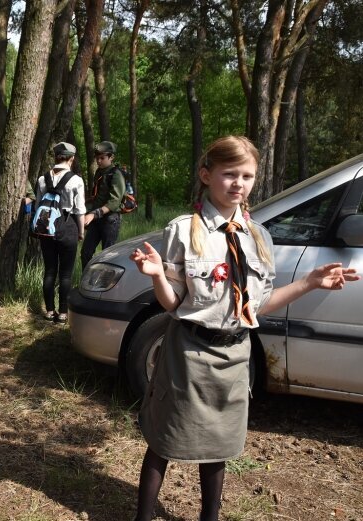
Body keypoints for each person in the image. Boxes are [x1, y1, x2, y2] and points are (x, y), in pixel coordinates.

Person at [129, 136, 358, 521]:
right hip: (188, 353)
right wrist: (156, 277)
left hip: (236, 355)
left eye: (247, 176)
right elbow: (174, 305)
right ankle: (143, 517)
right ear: (207, 175)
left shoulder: (259, 237)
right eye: (229, 174)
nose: (239, 183)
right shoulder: (184, 231)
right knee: (164, 440)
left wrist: (311, 283)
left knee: (220, 445)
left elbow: (256, 307)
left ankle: (210, 518)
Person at [33, 142, 86, 323]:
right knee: (65, 273)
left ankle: (49, 311)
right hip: (67, 225)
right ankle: (63, 313)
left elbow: (38, 205)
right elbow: (79, 210)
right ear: (71, 159)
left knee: (49, 270)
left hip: (47, 229)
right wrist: (81, 232)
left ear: (56, 157)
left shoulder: (42, 179)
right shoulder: (76, 180)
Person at [81, 141, 126, 269]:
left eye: (102, 158)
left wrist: (93, 214)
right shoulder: (99, 173)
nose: (98, 161)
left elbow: (114, 202)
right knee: (86, 253)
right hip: (95, 220)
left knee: (108, 256)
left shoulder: (117, 174)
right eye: (97, 158)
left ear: (111, 157)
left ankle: (106, 286)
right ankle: (87, 281)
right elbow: (96, 197)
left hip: (110, 220)